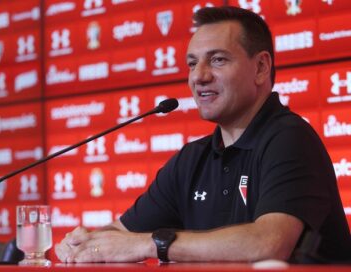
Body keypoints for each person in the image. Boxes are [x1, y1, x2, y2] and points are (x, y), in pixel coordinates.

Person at [55, 6, 351, 263]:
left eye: (218, 60)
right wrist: (84, 243)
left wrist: (152, 244)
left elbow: (268, 243)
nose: (199, 76)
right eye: (193, 63)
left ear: (261, 67)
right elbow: (122, 234)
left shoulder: (290, 138)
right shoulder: (191, 159)